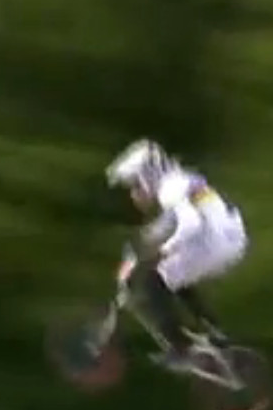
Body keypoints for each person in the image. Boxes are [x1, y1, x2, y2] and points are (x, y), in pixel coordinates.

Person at [104, 137, 248, 369]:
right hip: (232, 238)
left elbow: (190, 224)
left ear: (146, 176)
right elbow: (166, 224)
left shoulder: (169, 190)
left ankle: (180, 349)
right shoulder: (181, 180)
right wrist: (137, 251)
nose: (133, 193)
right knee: (174, 275)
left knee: (152, 283)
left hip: (213, 242)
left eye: (135, 185)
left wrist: (163, 250)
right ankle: (214, 330)